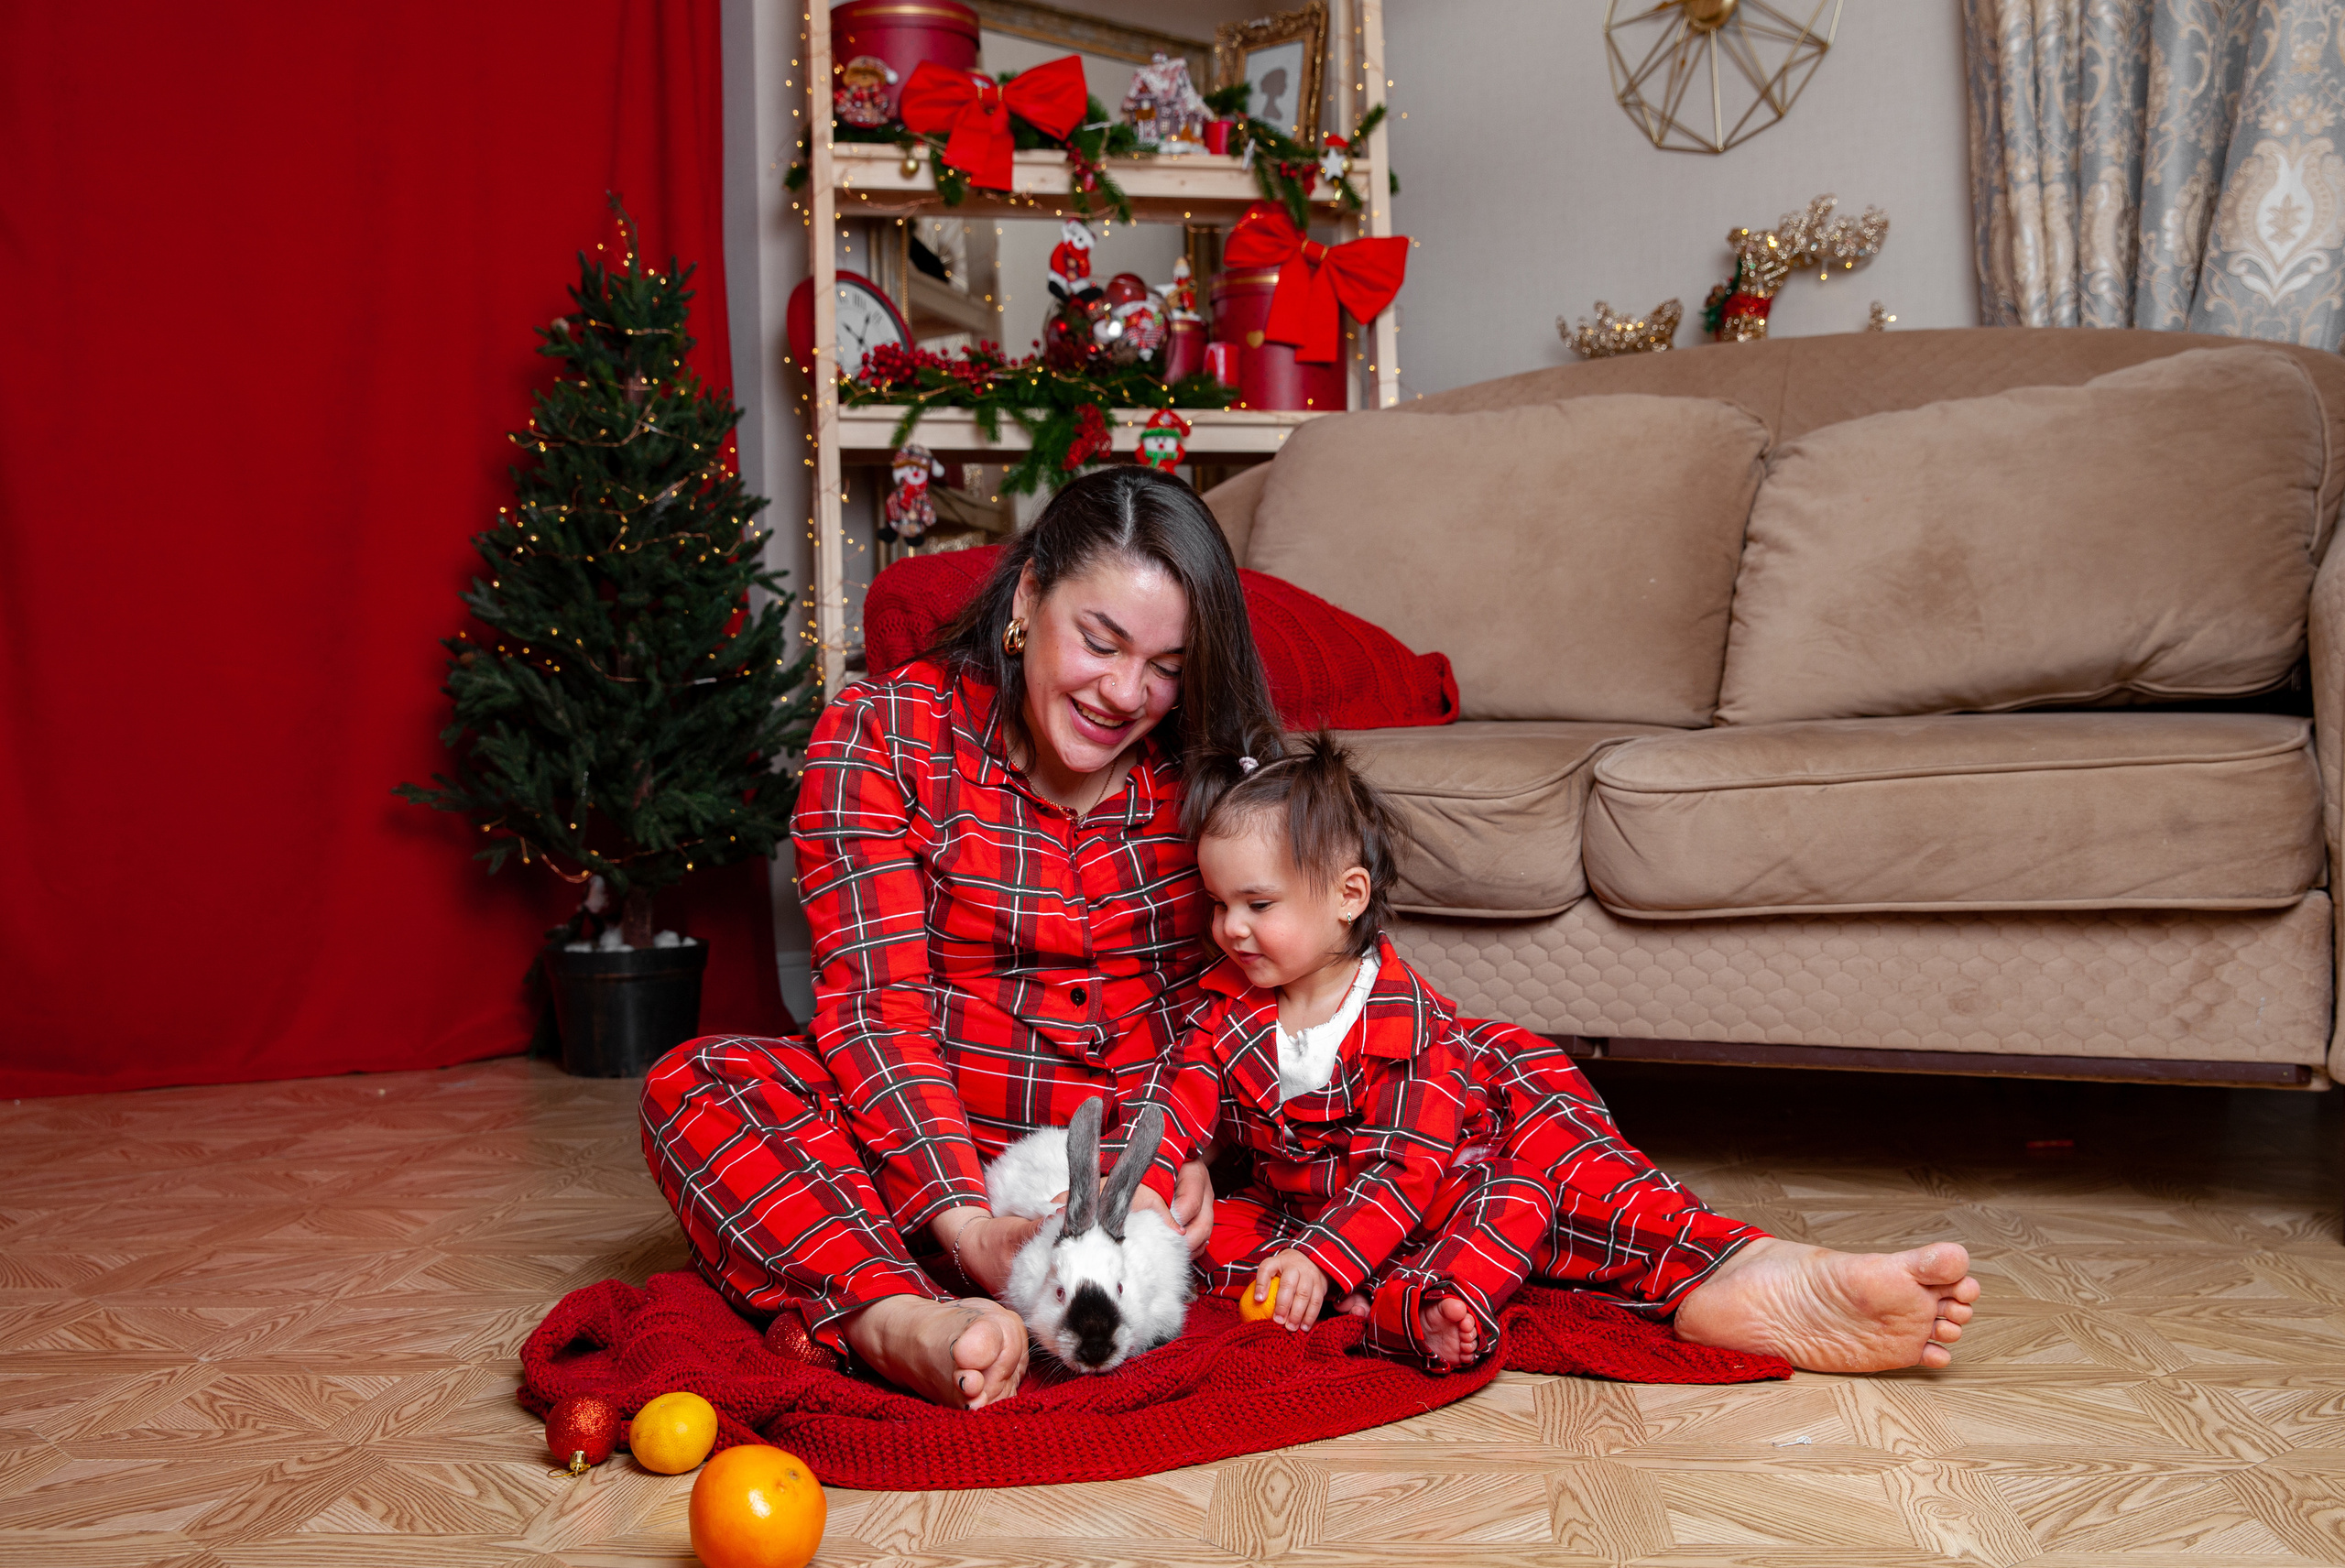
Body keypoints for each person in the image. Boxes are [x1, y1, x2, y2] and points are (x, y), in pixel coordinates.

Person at [639, 466, 1980, 1410]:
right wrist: (968, 1225)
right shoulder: (886, 734)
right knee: (703, 1086)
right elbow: (875, 1011)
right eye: (1100, 640)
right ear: (1027, 595)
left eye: (1166, 667)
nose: (1125, 691)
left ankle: (1725, 1270)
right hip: (942, 1152)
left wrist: (1186, 1155)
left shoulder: (1209, 773)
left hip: (1179, 1164)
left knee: (1488, 1061)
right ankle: (901, 1317)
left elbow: (1263, 977)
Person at [1127, 732, 1552, 1369]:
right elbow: (1175, 1097)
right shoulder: (1225, 1006)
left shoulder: (1411, 1025)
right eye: (1219, 904)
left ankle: (1422, 1301)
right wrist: (1144, 1180)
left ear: (1348, 897)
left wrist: (1324, 1257)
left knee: (1519, 1197)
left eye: (1258, 904)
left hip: (1419, 1206)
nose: (1230, 927)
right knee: (1203, 1235)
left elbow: (1404, 1170)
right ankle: (1337, 1294)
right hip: (1293, 1210)